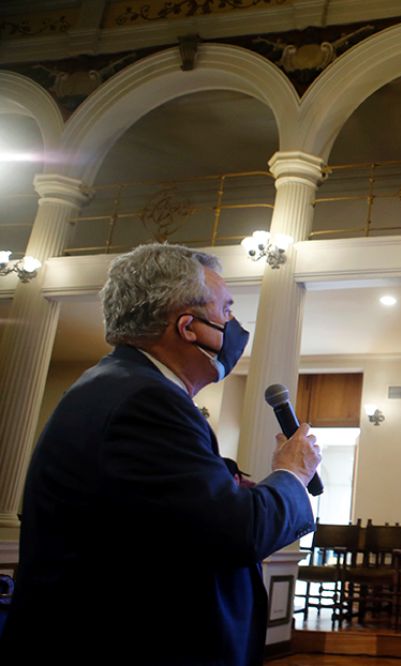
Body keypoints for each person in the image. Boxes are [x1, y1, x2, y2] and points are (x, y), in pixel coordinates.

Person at [1, 244, 319, 664]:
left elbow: (162, 516)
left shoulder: (121, 384)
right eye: (225, 310)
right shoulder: (144, 400)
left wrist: (227, 482)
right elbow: (237, 534)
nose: (234, 325)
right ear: (188, 326)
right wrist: (292, 471)